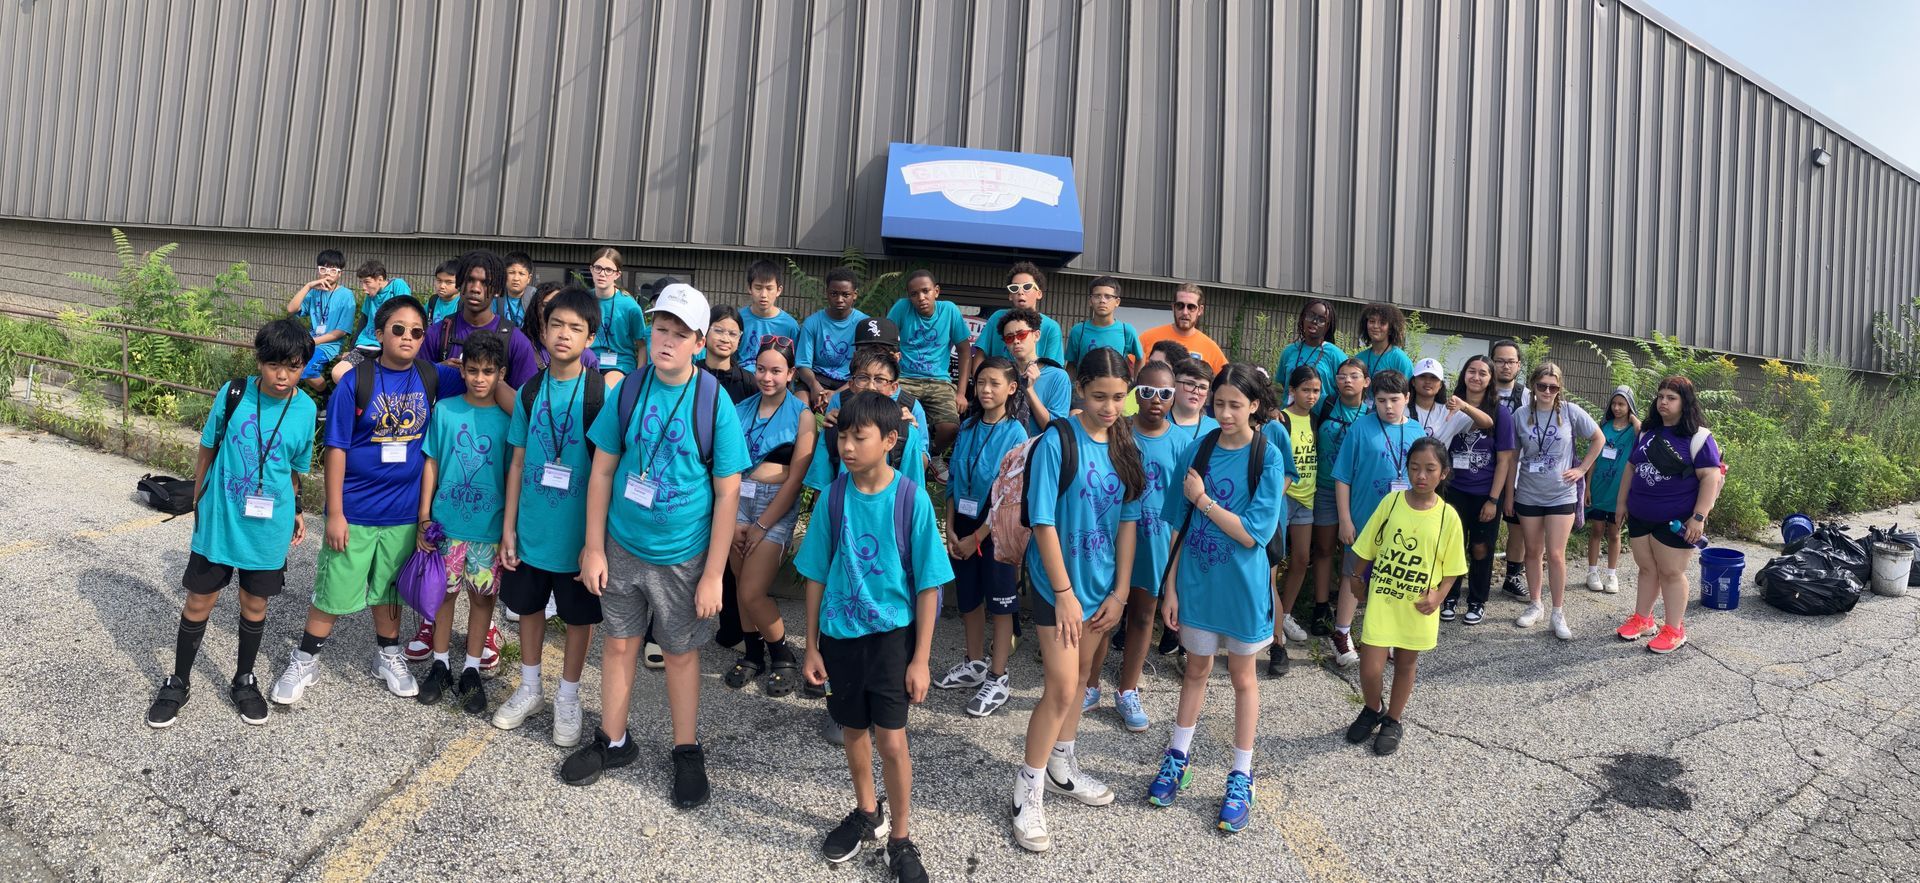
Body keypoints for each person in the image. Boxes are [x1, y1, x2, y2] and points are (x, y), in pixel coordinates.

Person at [569, 283, 750, 805]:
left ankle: (686, 750)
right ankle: (613, 739)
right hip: (623, 545)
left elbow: (728, 490)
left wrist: (715, 572)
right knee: (620, 644)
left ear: (700, 342)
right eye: (660, 328)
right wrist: (594, 546)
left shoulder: (713, 401)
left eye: (680, 333)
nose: (667, 340)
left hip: (684, 555)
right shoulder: (628, 390)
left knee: (679, 653)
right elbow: (602, 469)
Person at [273, 295, 466, 706]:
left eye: (417, 331)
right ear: (379, 334)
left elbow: (486, 379)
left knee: (389, 590)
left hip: (404, 513)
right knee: (333, 589)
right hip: (356, 510)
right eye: (398, 329)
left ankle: (389, 655)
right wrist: (336, 512)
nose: (408, 337)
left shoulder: (433, 376)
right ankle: (305, 657)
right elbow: (337, 448)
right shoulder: (355, 382)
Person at [796, 391, 947, 883]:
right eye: (842, 435)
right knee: (853, 730)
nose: (847, 446)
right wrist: (812, 644)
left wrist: (920, 659)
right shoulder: (834, 497)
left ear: (889, 441)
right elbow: (815, 573)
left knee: (893, 741)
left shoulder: (910, 499)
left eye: (859, 437)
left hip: (890, 639)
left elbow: (928, 584)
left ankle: (901, 838)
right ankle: (867, 812)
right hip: (840, 636)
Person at [146, 319, 318, 728]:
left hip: (268, 526)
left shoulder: (307, 409)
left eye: (293, 367)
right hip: (221, 519)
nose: (282, 375)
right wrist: (200, 499)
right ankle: (179, 681)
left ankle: (244, 679)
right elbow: (207, 448)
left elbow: (294, 470)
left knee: (255, 604)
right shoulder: (235, 393)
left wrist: (295, 509)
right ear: (260, 360)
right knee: (198, 601)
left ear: (303, 368)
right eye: (275, 364)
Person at [1009, 348, 1143, 854]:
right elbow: (1042, 521)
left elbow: (1128, 523)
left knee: (1084, 679)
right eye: (1099, 396)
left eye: (1118, 397)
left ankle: (1063, 763)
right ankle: (1028, 790)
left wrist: (1121, 591)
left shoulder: (1125, 442)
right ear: (1079, 389)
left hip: (1102, 587)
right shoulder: (1057, 441)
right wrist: (1063, 594)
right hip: (1056, 586)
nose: (1110, 407)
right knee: (1062, 688)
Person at [1146, 364, 1288, 834]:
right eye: (1218, 404)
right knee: (1195, 670)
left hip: (1244, 590)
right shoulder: (1198, 448)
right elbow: (1178, 526)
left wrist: (1205, 500)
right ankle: (1177, 757)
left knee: (1243, 678)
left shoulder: (1266, 455)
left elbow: (1253, 534)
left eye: (1234, 404)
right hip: (1197, 584)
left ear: (1254, 406)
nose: (1224, 413)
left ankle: (1241, 775)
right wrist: (1171, 587)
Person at [494, 285, 603, 747]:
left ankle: (569, 696)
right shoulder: (530, 391)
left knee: (579, 619)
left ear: (590, 338)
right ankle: (531, 687)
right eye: (556, 324)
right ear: (542, 329)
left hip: (578, 536)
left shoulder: (600, 394)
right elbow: (516, 461)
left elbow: (607, 469)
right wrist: (508, 529)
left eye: (575, 328)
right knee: (529, 608)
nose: (564, 334)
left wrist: (596, 542)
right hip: (533, 530)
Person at [1342, 437, 1467, 756]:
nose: (1421, 475)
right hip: (1383, 600)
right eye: (1414, 468)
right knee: (1369, 667)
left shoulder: (1448, 516)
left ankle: (1393, 720)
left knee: (1406, 664)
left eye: (1429, 469)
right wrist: (1357, 577)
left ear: (1444, 473)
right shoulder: (1392, 502)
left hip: (1418, 606)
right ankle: (1373, 707)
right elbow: (1368, 542)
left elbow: (1453, 565)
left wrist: (1439, 596)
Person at [413, 331, 513, 714]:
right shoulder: (446, 410)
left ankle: (471, 668)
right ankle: (440, 664)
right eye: (473, 371)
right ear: (463, 369)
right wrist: (425, 517)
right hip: (446, 526)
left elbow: (513, 473)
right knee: (443, 596)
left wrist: (509, 528)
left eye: (488, 372)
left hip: (488, 529)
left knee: (482, 599)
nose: (480, 379)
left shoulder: (508, 420)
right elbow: (431, 463)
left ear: (500, 373)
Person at [1090, 360, 1180, 731]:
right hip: (1113, 539)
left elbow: (1181, 504)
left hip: (1156, 542)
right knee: (1104, 615)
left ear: (1174, 397)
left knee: (1144, 615)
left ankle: (1127, 689)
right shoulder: (1118, 432)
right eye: (1146, 392)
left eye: (1164, 394)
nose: (1155, 400)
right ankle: (1089, 684)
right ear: (1134, 394)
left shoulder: (1182, 442)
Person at [721, 337, 815, 696]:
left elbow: (796, 479)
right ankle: (752, 654)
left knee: (751, 590)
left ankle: (783, 655)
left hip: (774, 507)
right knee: (741, 583)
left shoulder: (803, 417)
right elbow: (726, 463)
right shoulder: (740, 408)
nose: (767, 377)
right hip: (736, 501)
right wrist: (734, 518)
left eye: (777, 370)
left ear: (791, 373)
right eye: (761, 369)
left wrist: (761, 525)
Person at [935, 357, 1027, 718]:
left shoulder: (1016, 433)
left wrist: (978, 537)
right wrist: (951, 526)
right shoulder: (969, 426)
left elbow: (1008, 494)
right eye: (980, 383)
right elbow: (955, 479)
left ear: (1011, 388)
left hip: (996, 533)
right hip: (965, 526)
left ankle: (998, 675)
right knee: (969, 598)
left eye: (994, 383)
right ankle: (974, 663)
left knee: (1001, 604)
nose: (985, 390)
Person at [1616, 376, 1724, 654]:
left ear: (1685, 402)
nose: (1663, 401)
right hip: (1640, 515)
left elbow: (1710, 477)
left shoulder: (1699, 437)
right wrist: (1621, 504)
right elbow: (1630, 468)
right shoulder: (1647, 432)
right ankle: (1643, 619)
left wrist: (1698, 517)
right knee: (1647, 569)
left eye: (1671, 397)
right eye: (1660, 396)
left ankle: (1675, 629)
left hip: (1676, 521)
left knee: (1671, 572)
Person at [1507, 362, 1605, 639]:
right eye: (1542, 386)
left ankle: (1557, 612)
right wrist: (1508, 494)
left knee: (1556, 554)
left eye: (1553, 387)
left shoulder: (1570, 412)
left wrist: (1583, 469)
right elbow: (1513, 456)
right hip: (1528, 491)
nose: (1547, 391)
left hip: (1562, 493)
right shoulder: (1520, 414)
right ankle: (1535, 604)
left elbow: (1599, 437)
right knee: (1532, 551)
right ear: (1533, 386)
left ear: (1559, 388)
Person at [1328, 370, 1419, 667]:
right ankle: (1341, 632)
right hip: (1364, 518)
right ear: (1373, 400)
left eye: (1395, 399)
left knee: (1391, 578)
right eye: (1381, 400)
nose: (1388, 406)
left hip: (1403, 522)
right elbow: (1342, 477)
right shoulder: (1360, 429)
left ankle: (1384, 634)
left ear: (1407, 398)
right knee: (1354, 575)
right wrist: (1345, 519)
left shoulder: (1417, 431)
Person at [1440, 355, 1516, 625]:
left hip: (1485, 492)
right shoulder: (1448, 405)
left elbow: (1505, 459)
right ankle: (1448, 595)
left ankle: (1477, 599)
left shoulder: (1500, 412)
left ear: (1491, 379)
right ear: (1464, 375)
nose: (1476, 377)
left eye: (1483, 373)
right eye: (1471, 371)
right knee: (1452, 546)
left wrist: (1494, 499)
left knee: (1481, 548)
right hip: (1453, 491)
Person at [1309, 359, 1372, 637]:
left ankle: (1353, 607)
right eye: (1342, 375)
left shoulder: (1373, 412)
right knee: (1323, 549)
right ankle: (1321, 607)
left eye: (1354, 376)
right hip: (1324, 487)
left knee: (1354, 552)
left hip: (1357, 493)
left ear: (1366, 382)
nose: (1348, 380)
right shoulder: (1324, 404)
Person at [422, 250, 541, 393]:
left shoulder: (516, 341)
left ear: (497, 289)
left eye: (485, 283)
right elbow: (415, 389)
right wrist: (437, 370)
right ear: (460, 284)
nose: (475, 289)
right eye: (469, 280)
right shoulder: (436, 333)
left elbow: (527, 404)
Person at [1269, 365, 1323, 673]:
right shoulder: (1281, 419)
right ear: (1293, 390)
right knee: (1276, 561)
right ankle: (1270, 620)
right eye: (1306, 390)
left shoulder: (1317, 419)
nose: (1311, 395)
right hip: (1283, 498)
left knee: (1302, 559)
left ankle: (1286, 614)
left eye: (1316, 390)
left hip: (1308, 497)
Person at [888, 270, 973, 462]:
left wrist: (961, 392)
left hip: (939, 381)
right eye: (914, 294)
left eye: (926, 291)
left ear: (936, 291)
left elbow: (965, 351)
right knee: (890, 417)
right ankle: (895, 458)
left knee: (950, 428)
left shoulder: (949, 310)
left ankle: (931, 457)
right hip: (905, 378)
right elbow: (887, 340)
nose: (921, 297)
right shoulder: (902, 308)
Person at [965, 262, 1065, 381]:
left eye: (1027, 287)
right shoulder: (997, 318)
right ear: (1010, 295)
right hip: (996, 389)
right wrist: (979, 385)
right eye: (1014, 288)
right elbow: (980, 355)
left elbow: (1052, 370)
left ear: (1039, 294)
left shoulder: (1051, 327)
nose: (1020, 292)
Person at [1585, 386, 1640, 594]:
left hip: (1619, 491)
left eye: (1622, 404)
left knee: (1614, 533)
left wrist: (1633, 417)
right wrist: (1587, 487)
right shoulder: (1603, 427)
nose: (1617, 408)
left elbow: (1642, 432)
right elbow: (1592, 459)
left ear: (1629, 406)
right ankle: (1592, 571)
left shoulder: (1632, 431)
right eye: (1614, 404)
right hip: (1599, 487)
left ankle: (1611, 574)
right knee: (1597, 530)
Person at [1489, 338, 1530, 597]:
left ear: (1518, 365)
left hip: (1518, 473)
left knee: (1519, 528)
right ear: (1492, 362)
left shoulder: (1529, 396)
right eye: (1500, 361)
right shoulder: (1480, 390)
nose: (1505, 366)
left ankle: (1513, 576)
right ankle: (1465, 575)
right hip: (1484, 471)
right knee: (1477, 526)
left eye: (1510, 362)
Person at [328, 260, 414, 383]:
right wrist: (352, 349)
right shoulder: (370, 297)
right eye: (362, 283)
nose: (363, 288)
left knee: (376, 381)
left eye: (367, 282)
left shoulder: (397, 285)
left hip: (386, 348)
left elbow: (405, 313)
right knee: (338, 373)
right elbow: (363, 321)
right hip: (364, 346)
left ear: (379, 279)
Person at [796, 267, 868, 410]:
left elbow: (865, 368)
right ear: (827, 293)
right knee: (799, 408)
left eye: (845, 294)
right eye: (834, 294)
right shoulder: (812, 323)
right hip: (816, 377)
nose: (839, 299)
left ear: (855, 295)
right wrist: (814, 386)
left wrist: (837, 394)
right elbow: (803, 364)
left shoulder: (864, 324)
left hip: (850, 381)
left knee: (854, 412)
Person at [286, 250, 356, 391]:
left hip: (329, 345)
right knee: (288, 363)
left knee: (305, 369)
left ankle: (326, 397)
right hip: (310, 342)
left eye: (332, 270)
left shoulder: (346, 295)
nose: (327, 273)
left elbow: (341, 331)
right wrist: (308, 286)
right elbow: (291, 309)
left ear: (340, 273)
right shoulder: (314, 292)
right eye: (323, 269)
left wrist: (311, 342)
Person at [999, 308, 1073, 437]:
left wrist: (1030, 390)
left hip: (1038, 449)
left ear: (1036, 335)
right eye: (1009, 338)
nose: (1016, 341)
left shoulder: (1058, 376)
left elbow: (1054, 429)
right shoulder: (1002, 373)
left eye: (1021, 334)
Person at [586, 247, 648, 382]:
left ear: (617, 274)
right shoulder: (583, 300)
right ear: (591, 269)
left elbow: (642, 345)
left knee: (606, 392)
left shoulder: (630, 306)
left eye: (608, 270)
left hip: (620, 363)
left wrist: (638, 376)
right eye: (598, 268)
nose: (602, 274)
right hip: (587, 360)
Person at [1138, 284, 1227, 372]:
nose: (1185, 312)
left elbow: (1227, 379)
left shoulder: (1210, 348)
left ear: (1200, 310)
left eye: (1191, 307)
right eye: (1180, 306)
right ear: (1173, 307)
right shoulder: (1147, 338)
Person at [738, 259, 801, 376]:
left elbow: (794, 364)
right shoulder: (738, 319)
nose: (763, 295)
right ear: (749, 288)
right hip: (741, 380)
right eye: (758, 287)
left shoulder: (790, 325)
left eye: (769, 288)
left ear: (778, 290)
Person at [1407, 358, 1492, 445]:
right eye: (1422, 376)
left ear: (1440, 385)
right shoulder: (1401, 409)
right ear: (1413, 382)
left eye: (1434, 378)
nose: (1428, 381)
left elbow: (1487, 422)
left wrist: (1464, 406)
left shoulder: (1449, 412)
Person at [1274, 299, 1344, 403]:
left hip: (1320, 417)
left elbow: (1344, 389)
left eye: (1321, 320)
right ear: (1303, 318)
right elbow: (1285, 384)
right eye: (1311, 315)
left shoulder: (1335, 355)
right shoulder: (1289, 351)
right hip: (1288, 415)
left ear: (1328, 325)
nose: (1314, 321)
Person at [1065, 276, 1143, 368]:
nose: (1102, 300)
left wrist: (1135, 382)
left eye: (1108, 296)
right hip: (1084, 382)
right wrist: (1070, 382)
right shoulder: (1078, 331)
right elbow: (1071, 364)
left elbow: (1140, 358)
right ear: (1090, 301)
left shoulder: (1127, 331)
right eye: (1097, 296)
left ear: (1117, 302)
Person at [699, 305, 754, 403]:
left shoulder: (748, 383)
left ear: (739, 339)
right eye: (719, 331)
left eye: (733, 334)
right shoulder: (691, 374)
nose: (725, 339)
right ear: (706, 332)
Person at [1353, 304, 1414, 390]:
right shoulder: (1359, 358)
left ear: (1391, 329)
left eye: (1382, 323)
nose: (1375, 326)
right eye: (1372, 321)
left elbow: (1409, 390)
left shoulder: (1400, 359)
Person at [1167, 357, 1220, 449]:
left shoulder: (1217, 429)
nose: (1196, 391)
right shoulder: (1156, 421)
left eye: (1203, 387)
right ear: (1173, 384)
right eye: (1190, 384)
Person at [500, 251, 534, 326]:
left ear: (529, 278)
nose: (516, 278)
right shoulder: (496, 298)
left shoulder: (535, 298)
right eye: (511, 273)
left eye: (521, 274)